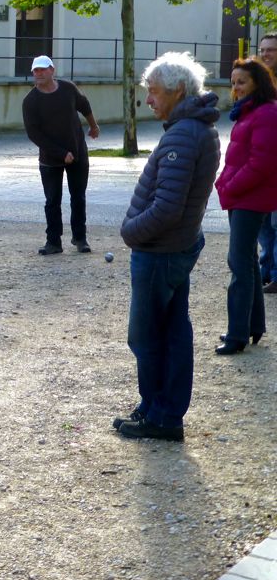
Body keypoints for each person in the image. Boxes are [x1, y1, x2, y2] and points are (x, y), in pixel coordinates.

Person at [114, 52, 220, 441]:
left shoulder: (183, 134)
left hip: (160, 250)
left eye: (154, 92)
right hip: (174, 247)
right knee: (171, 330)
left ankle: (161, 416)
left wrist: (130, 231)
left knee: (148, 335)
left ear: (177, 91)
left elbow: (168, 207)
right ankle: (157, 408)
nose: (149, 100)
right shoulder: (195, 128)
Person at [214, 57, 277, 354]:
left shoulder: (265, 113)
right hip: (243, 196)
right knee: (248, 262)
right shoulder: (249, 112)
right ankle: (253, 326)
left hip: (251, 197)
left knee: (238, 263)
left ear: (258, 83)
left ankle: (237, 334)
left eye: (242, 82)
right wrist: (225, 184)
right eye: (233, 82)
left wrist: (229, 186)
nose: (236, 88)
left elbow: (261, 163)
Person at [22, 55, 100, 255]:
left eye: (42, 69)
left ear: (52, 70)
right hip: (50, 158)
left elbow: (85, 105)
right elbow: (34, 134)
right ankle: (53, 241)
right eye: (35, 71)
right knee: (52, 200)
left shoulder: (68, 89)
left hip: (77, 152)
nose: (39, 74)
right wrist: (60, 153)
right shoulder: (30, 101)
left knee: (78, 197)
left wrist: (93, 126)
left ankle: (80, 238)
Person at [255, 33, 277, 293]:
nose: (266, 54)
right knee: (262, 221)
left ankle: (274, 273)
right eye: (263, 49)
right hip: (261, 159)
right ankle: (266, 269)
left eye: (271, 50)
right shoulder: (257, 83)